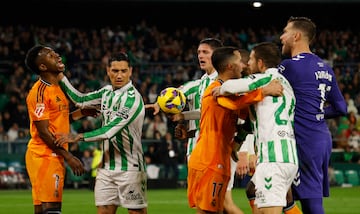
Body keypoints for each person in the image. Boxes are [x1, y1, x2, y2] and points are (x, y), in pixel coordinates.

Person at [187, 46, 283, 213]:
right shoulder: (215, 89)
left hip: (219, 158)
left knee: (220, 209)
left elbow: (246, 115)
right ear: (230, 66)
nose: (244, 65)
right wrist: (264, 91)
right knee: (209, 211)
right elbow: (234, 104)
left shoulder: (232, 91)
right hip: (209, 160)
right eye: (240, 61)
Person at [55, 52, 148, 214]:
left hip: (130, 169)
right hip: (105, 168)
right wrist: (60, 74)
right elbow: (80, 100)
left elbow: (108, 131)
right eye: (115, 70)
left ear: (130, 71)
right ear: (107, 70)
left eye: (123, 71)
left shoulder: (132, 99)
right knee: (103, 211)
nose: (119, 75)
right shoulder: (105, 93)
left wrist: (79, 136)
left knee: (136, 212)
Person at [213, 42, 299, 214]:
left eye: (251, 59)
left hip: (273, 158)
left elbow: (230, 86)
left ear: (261, 63)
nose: (247, 64)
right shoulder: (287, 85)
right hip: (285, 155)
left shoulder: (265, 79)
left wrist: (220, 88)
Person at [279, 16, 348, 214]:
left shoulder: (289, 66)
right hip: (320, 137)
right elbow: (340, 108)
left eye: (285, 32)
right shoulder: (325, 67)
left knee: (306, 201)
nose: (282, 37)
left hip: (304, 137)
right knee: (296, 195)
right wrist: (317, 113)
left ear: (296, 36)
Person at [24, 45, 86, 214]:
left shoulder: (57, 87)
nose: (57, 56)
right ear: (42, 67)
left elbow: (59, 119)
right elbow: (44, 132)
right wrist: (69, 157)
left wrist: (83, 113)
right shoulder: (39, 92)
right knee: (52, 210)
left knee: (41, 211)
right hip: (44, 155)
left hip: (50, 154)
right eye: (51, 56)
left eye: (55, 53)